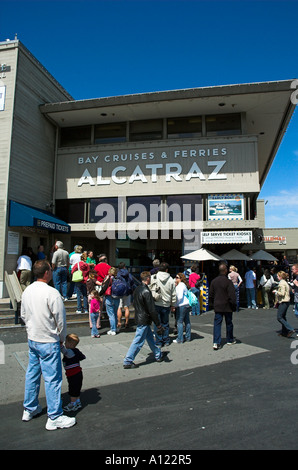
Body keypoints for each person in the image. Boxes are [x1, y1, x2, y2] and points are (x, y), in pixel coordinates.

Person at [20, 259, 76, 430]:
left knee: (32, 374)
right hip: (48, 340)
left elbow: (23, 314)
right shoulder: (52, 293)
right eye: (50, 270)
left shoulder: (27, 291)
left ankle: (29, 408)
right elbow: (60, 320)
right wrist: (62, 338)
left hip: (33, 338)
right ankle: (54, 416)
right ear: (46, 273)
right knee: (53, 379)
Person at [123, 271, 167, 369]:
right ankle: (128, 360)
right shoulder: (146, 291)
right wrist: (158, 323)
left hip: (140, 316)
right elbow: (152, 309)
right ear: (148, 278)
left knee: (150, 338)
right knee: (138, 340)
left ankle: (157, 354)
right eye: (150, 278)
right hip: (144, 318)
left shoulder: (138, 289)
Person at [209, 263, 237, 350]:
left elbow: (211, 294)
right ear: (225, 271)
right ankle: (229, 339)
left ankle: (216, 342)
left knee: (217, 324)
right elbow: (232, 295)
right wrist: (234, 305)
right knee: (229, 323)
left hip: (218, 305)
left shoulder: (214, 281)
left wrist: (212, 304)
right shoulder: (228, 282)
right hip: (227, 305)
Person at [151, 262, 176, 347]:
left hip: (156, 303)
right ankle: (166, 340)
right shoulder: (171, 280)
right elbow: (173, 294)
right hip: (166, 304)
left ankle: (158, 341)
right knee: (165, 323)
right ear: (167, 270)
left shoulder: (154, 277)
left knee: (157, 323)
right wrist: (173, 305)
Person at [61, 333, 86, 411]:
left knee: (72, 390)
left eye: (66, 343)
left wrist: (60, 345)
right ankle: (78, 402)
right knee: (77, 389)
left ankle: (73, 404)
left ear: (70, 344)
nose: (65, 344)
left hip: (73, 374)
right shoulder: (76, 351)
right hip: (77, 373)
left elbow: (65, 352)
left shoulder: (70, 352)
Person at [273, 271, 295, 337]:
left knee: (279, 317)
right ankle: (284, 332)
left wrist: (276, 292)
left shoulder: (282, 283)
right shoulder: (285, 282)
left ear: (280, 277)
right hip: (287, 301)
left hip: (283, 301)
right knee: (283, 317)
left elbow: (282, 293)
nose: (277, 277)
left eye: (278, 276)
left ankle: (290, 329)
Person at [116, 262, 136, 329]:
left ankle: (119, 322)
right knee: (126, 307)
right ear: (124, 267)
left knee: (119, 307)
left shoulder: (118, 274)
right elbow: (132, 282)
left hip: (119, 292)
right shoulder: (128, 273)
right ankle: (126, 323)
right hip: (127, 291)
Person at [173, 273, 191, 343]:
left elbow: (179, 297)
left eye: (177, 277)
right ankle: (188, 336)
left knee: (179, 322)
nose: (175, 279)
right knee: (187, 321)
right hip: (187, 304)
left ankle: (180, 338)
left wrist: (175, 304)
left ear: (180, 278)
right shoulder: (184, 285)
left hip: (181, 305)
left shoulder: (180, 286)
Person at [104, 267, 120, 335]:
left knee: (111, 314)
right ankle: (115, 328)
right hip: (117, 297)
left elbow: (104, 287)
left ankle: (113, 329)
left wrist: (99, 294)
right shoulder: (118, 278)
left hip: (109, 297)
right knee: (115, 313)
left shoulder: (109, 278)